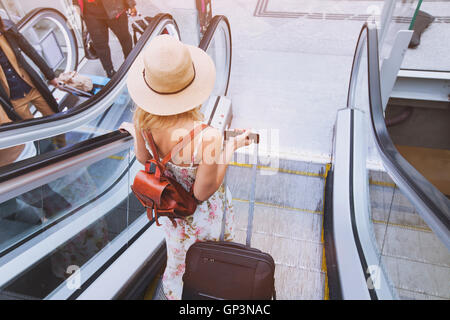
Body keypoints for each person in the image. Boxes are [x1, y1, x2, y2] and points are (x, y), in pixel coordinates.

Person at [119, 35, 253, 300]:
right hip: (201, 216)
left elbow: (145, 160)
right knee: (210, 257)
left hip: (170, 208)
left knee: (178, 255)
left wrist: (136, 133)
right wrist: (231, 147)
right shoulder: (208, 136)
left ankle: (176, 293)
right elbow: (203, 193)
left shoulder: (142, 122)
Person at [0, 16, 65, 158]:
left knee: (56, 118)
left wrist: (50, 76)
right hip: (14, 99)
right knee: (32, 134)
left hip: (31, 86)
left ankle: (63, 150)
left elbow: (31, 51)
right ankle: (44, 159)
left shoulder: (8, 30)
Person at [74, 0, 137, 78]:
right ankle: (109, 72)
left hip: (114, 8)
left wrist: (131, 5)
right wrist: (76, 6)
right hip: (90, 12)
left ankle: (130, 63)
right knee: (100, 44)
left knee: (124, 37)